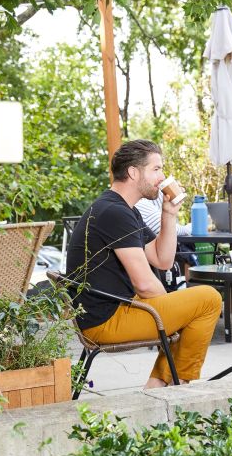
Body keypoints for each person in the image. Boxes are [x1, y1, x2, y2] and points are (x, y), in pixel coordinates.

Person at [66, 140, 222, 389]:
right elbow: (145, 284)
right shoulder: (114, 212)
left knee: (195, 304)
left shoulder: (124, 209)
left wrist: (168, 214)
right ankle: (175, 385)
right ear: (133, 172)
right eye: (156, 169)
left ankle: (160, 385)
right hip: (106, 321)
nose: (162, 177)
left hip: (114, 310)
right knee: (208, 299)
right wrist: (173, 309)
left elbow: (162, 259)